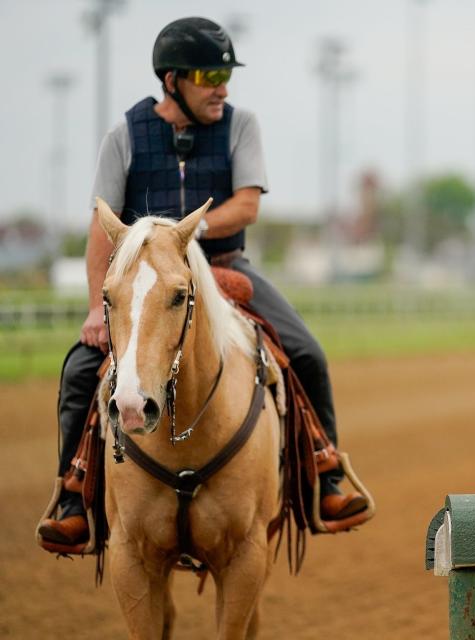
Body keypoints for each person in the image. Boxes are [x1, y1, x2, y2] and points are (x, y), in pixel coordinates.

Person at [38, 17, 366, 546]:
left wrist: (187, 235)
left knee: (306, 352)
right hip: (143, 278)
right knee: (80, 370)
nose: (223, 87)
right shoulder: (123, 135)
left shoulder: (241, 125)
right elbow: (103, 230)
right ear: (171, 80)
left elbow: (248, 205)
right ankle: (75, 491)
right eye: (209, 74)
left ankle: (326, 471)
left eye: (225, 74)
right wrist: (97, 309)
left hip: (225, 267)